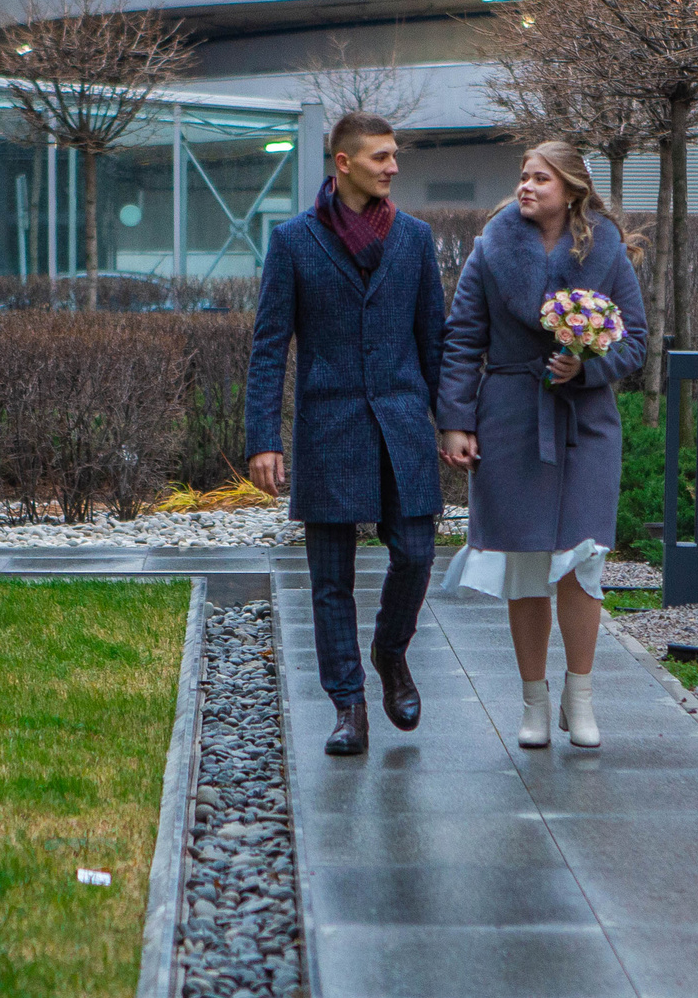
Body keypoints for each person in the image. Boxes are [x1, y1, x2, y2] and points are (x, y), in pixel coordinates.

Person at [245, 112, 446, 757]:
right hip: (329, 426)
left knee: (415, 551)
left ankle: (390, 652)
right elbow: (269, 346)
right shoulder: (294, 241)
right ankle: (348, 706)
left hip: (403, 423)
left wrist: (456, 423)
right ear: (343, 163)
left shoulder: (415, 240)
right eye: (381, 157)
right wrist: (263, 438)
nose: (393, 166)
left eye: (395, 156)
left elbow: (434, 342)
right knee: (329, 577)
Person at [436, 143, 647, 749]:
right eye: (523, 177)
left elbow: (635, 339)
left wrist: (586, 368)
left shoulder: (606, 249)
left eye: (540, 178)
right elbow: (461, 339)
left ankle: (579, 699)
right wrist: (456, 421)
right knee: (525, 563)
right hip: (510, 417)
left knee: (583, 559)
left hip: (585, 423)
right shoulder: (492, 245)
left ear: (572, 188)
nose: (526, 186)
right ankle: (533, 701)